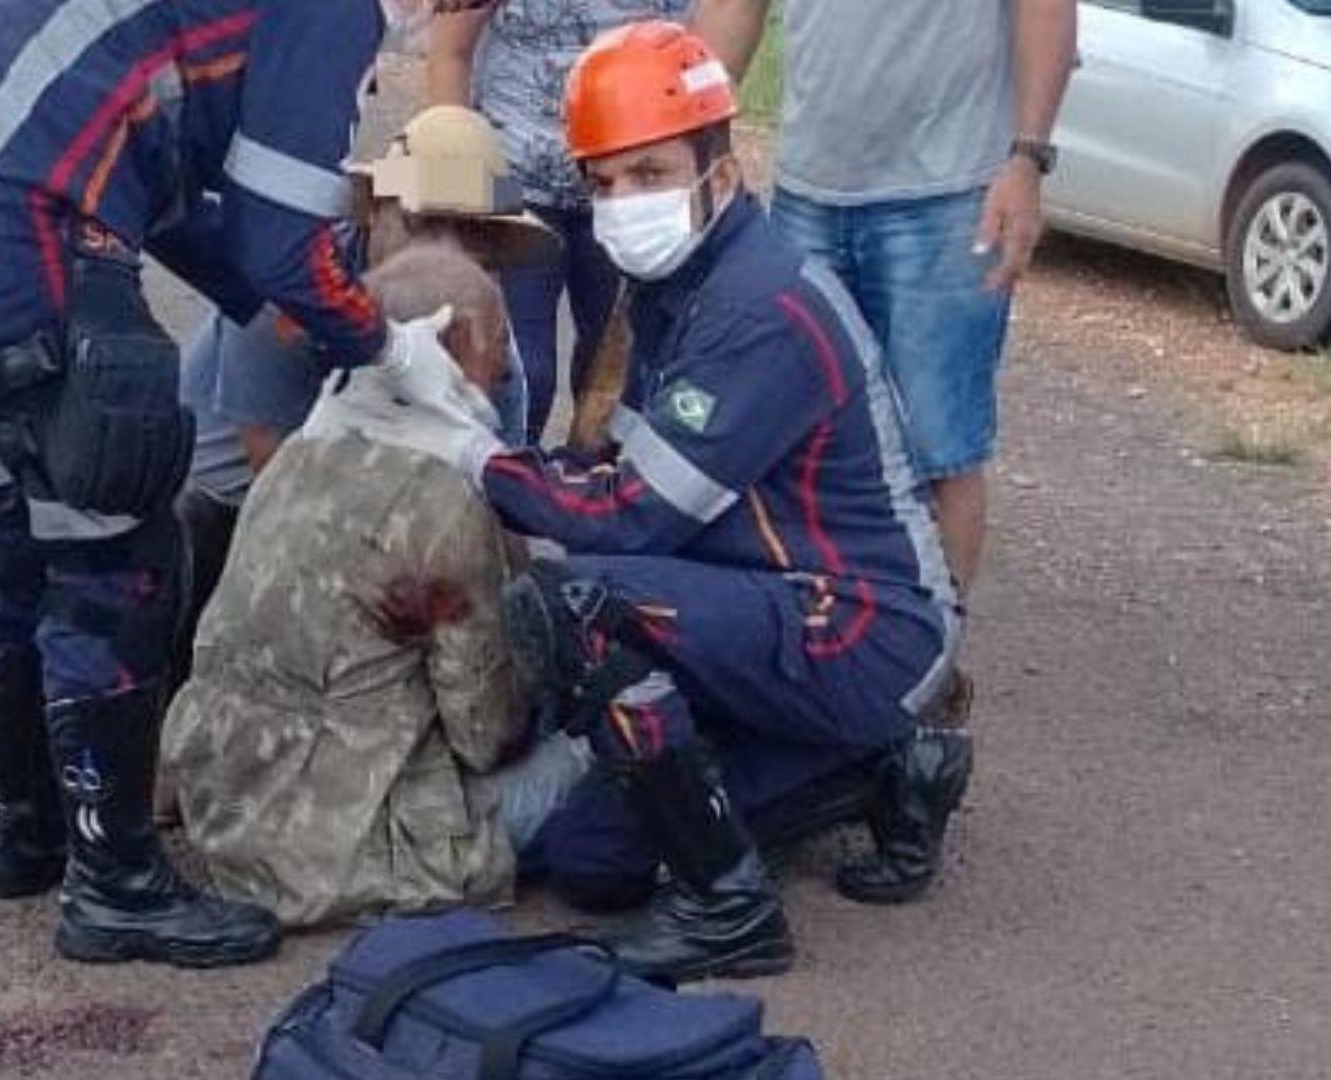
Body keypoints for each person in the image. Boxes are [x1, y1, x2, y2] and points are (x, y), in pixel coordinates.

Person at [0, 0, 467, 968]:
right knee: (118, 535)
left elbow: (183, 210)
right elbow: (281, 242)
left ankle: (24, 831)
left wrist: (291, 318)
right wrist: (383, 347)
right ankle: (116, 884)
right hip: (4, 186)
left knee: (9, 512)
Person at [370, 22, 970, 983]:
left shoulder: (757, 307)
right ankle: (885, 764)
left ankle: (729, 910)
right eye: (602, 182)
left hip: (855, 621)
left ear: (721, 174)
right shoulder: (676, 285)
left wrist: (475, 456)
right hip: (760, 601)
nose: (621, 204)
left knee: (579, 600)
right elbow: (618, 473)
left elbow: (634, 518)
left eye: (648, 173)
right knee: (593, 863)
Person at [165, 244, 585, 927]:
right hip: (350, 854)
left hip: (229, 816)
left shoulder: (295, 454)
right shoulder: (441, 500)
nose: (507, 364)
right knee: (607, 752)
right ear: (459, 339)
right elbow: (485, 735)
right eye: (500, 339)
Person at [693, 0, 1077, 723]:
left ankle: (924, 686)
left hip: (951, 195)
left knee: (939, 448)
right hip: (810, 190)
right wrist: (696, 138)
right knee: (794, 446)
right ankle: (816, 661)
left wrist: (1028, 160)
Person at [165, 104, 557, 696]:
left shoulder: (485, 329)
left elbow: (501, 508)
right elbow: (280, 482)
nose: (447, 249)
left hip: (372, 497)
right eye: (426, 222)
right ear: (373, 211)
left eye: (474, 234)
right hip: (241, 502)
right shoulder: (288, 289)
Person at [428, 0, 686, 444]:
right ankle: (500, 488)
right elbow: (449, 54)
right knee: (525, 373)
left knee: (612, 381)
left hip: (625, 187)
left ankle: (582, 493)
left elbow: (702, 45)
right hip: (512, 182)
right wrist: (460, 196)